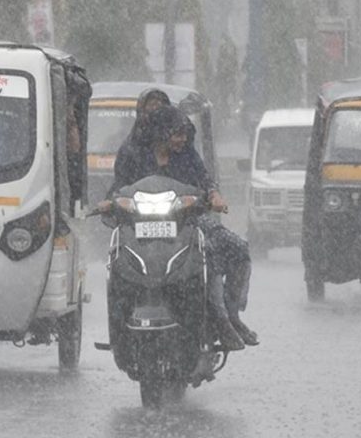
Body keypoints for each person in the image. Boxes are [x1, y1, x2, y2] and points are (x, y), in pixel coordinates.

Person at [102, 103, 258, 350]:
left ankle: (228, 316)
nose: (181, 140)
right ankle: (120, 328)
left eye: (184, 135)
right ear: (161, 132)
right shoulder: (134, 153)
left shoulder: (187, 154)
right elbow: (119, 185)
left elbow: (205, 181)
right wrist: (110, 202)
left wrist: (213, 195)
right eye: (176, 134)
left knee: (236, 249)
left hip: (187, 221)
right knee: (118, 262)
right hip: (139, 225)